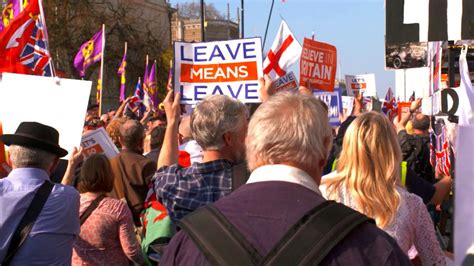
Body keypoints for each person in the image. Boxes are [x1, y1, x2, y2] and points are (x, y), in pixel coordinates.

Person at [160, 92, 410, 265]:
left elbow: (162, 174)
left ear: (251, 146)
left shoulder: (185, 244)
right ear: (324, 152)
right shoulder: (373, 248)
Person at [322, 112, 447, 265]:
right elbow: (436, 262)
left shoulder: (322, 191)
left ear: (349, 146)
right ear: (392, 148)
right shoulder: (411, 205)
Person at [154, 90, 249, 223]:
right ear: (228, 138)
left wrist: (172, 122)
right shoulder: (252, 183)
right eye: (245, 131)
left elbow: (162, 172)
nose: (248, 138)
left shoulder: (176, 185)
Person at [0, 122, 80, 265]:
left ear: (10, 158)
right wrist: (72, 165)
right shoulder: (70, 197)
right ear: (55, 163)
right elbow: (59, 193)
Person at [63, 153, 145, 265]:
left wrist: (71, 165)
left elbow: (59, 193)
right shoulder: (117, 208)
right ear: (109, 175)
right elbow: (131, 250)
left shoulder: (70, 202)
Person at [109, 119, 156, 226]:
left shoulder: (108, 162)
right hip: (136, 224)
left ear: (120, 140)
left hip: (111, 222)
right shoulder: (147, 164)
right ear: (141, 140)